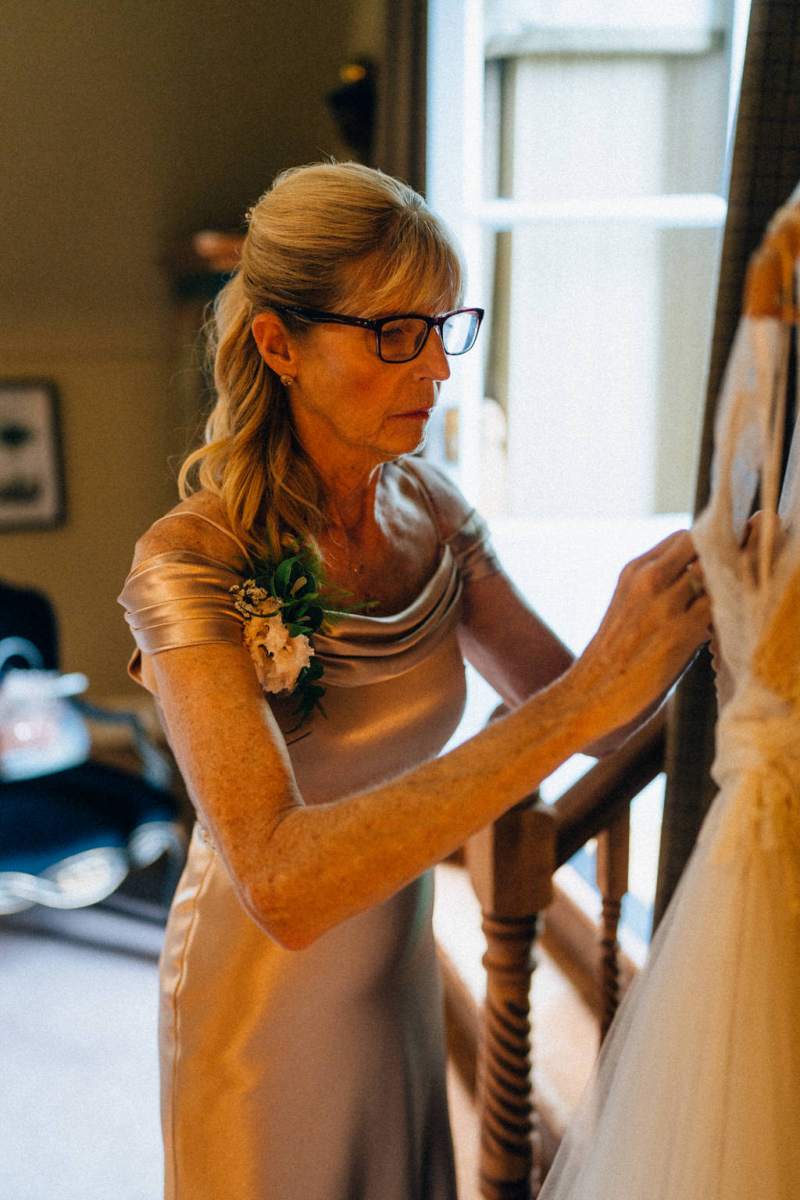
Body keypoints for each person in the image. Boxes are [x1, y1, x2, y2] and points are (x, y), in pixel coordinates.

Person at [118, 161, 711, 1200]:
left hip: (387, 976)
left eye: (447, 326)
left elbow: (598, 722)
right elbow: (283, 887)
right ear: (278, 344)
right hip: (258, 1004)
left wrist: (708, 612)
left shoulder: (429, 511)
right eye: (395, 333)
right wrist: (582, 702)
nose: (435, 370)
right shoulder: (190, 564)